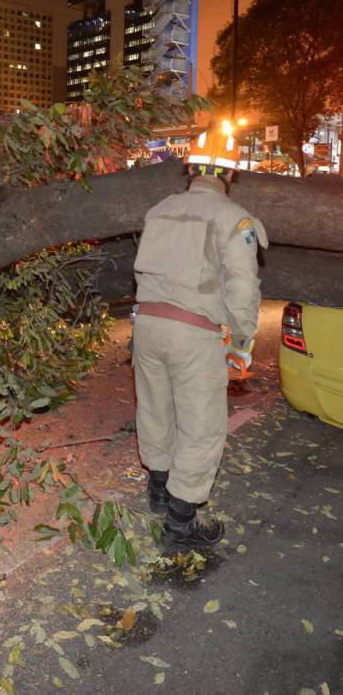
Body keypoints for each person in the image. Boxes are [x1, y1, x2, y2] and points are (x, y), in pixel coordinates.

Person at [132, 123, 268, 550]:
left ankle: (157, 491)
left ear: (190, 168)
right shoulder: (234, 218)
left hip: (147, 326)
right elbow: (243, 289)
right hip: (195, 334)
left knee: (155, 409)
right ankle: (179, 524)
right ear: (229, 174)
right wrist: (243, 342)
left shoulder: (159, 209)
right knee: (202, 427)